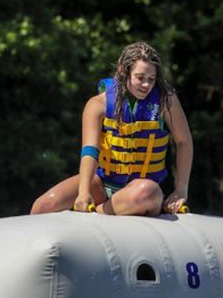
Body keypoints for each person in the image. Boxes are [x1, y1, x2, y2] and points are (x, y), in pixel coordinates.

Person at [30, 42, 193, 217]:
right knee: (45, 205)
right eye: (140, 77)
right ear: (123, 71)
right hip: (103, 182)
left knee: (146, 192)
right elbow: (90, 151)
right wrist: (83, 192)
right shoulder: (97, 104)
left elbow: (184, 141)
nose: (146, 85)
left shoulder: (165, 100)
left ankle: (97, 213)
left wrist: (181, 189)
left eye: (151, 79)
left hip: (140, 190)